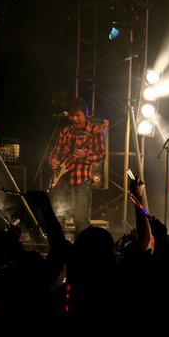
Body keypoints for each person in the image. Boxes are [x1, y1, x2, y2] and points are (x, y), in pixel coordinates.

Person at [49, 98, 106, 235]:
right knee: (58, 215)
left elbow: (101, 154)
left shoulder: (94, 130)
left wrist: (85, 155)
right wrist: (53, 161)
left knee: (80, 219)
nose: (74, 118)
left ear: (85, 114)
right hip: (62, 180)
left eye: (78, 115)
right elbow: (55, 152)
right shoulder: (65, 132)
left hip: (81, 179)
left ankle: (82, 246)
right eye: (71, 115)